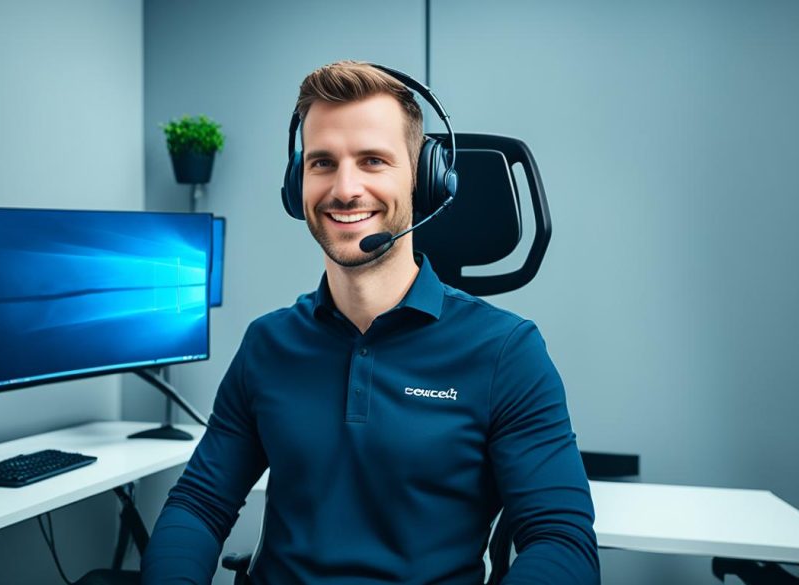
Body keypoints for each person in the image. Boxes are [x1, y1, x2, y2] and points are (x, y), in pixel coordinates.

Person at [142, 61, 599, 585]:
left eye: (373, 161)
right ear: (297, 184)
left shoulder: (506, 352)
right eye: (322, 163)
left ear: (426, 181)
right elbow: (198, 505)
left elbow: (560, 541)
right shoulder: (268, 344)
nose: (345, 188)